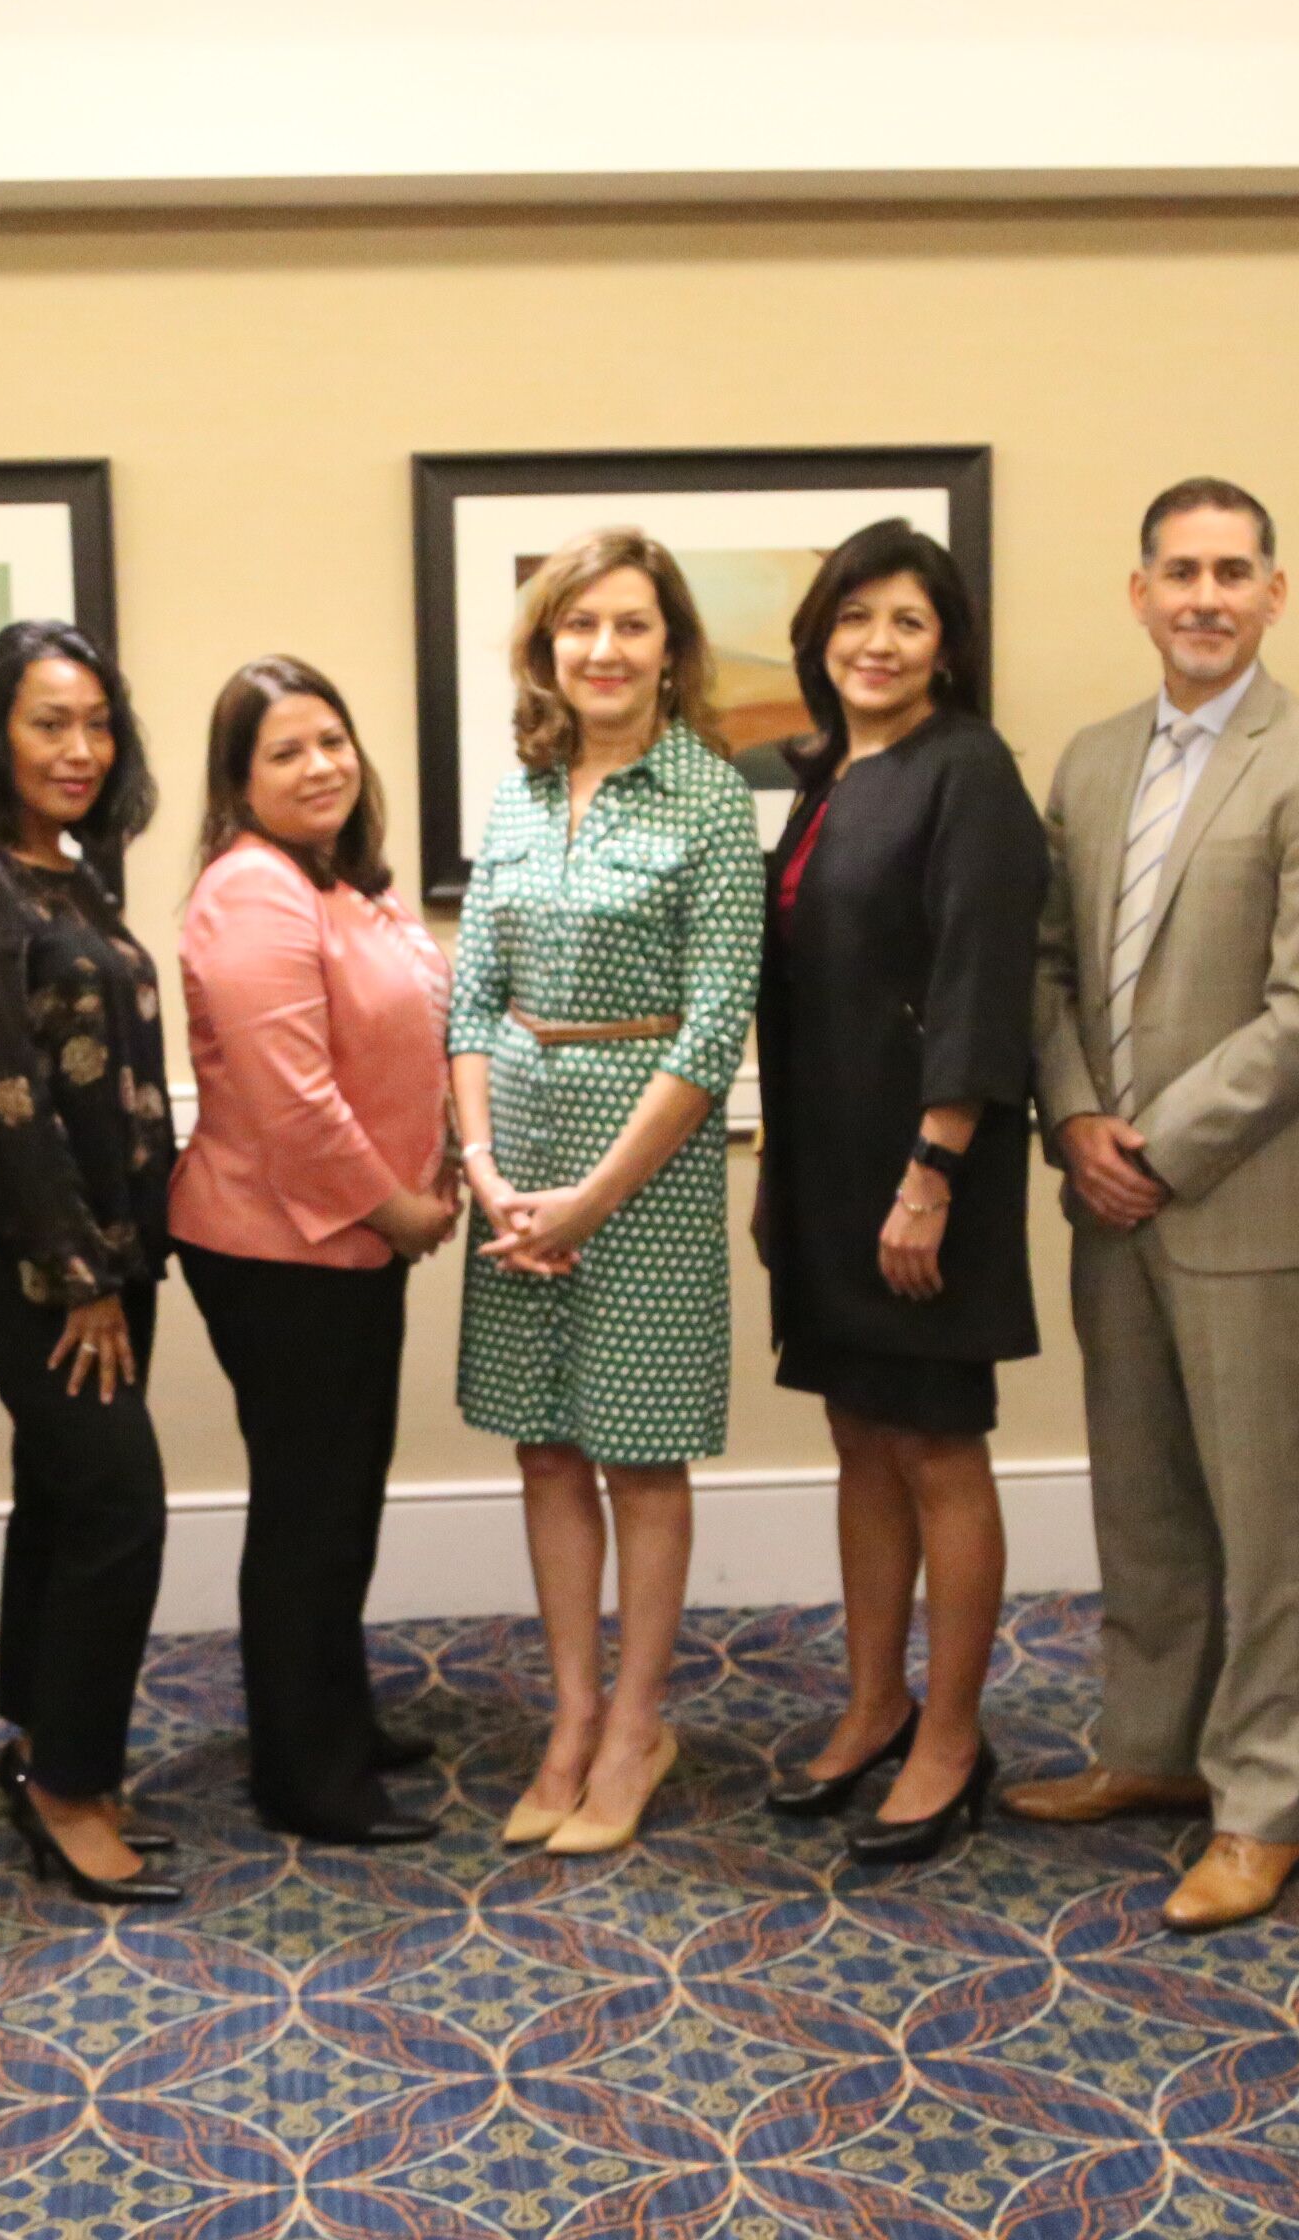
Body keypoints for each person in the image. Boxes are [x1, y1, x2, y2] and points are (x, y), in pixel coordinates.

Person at [1002, 477, 1299, 1934]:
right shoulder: (1093, 764)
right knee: (1146, 1500)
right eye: (1181, 571)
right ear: (1140, 592)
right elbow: (1045, 967)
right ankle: (1154, 1754)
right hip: (1107, 1194)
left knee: (1262, 1515)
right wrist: (1076, 1123)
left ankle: (1260, 1804)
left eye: (1235, 571)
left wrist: (1155, 1144)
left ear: (1274, 593)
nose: (1207, 597)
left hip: (1241, 1200)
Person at [452, 527, 763, 1858]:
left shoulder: (710, 797)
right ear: (546, 647)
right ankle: (571, 1718)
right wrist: (484, 1171)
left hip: (646, 1173)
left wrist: (588, 1199)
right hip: (512, 1168)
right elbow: (468, 999)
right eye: (580, 626)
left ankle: (639, 1724)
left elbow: (712, 1030)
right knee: (545, 1446)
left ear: (671, 649)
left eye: (631, 625)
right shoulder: (518, 795)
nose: (604, 650)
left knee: (639, 1455)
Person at [750, 522, 1046, 1866]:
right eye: (855, 614)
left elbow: (984, 978)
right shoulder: (826, 776)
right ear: (820, 631)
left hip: (928, 1168)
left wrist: (933, 1171)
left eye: (908, 622)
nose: (876, 640)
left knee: (935, 1444)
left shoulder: (966, 771)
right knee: (860, 1434)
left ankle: (952, 1736)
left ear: (948, 646)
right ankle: (876, 1705)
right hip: (826, 1165)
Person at [0, 620, 183, 1907]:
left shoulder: (69, 871)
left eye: (96, 723)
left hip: (112, 1250)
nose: (78, 748)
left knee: (65, 1498)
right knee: (119, 1500)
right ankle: (72, 1786)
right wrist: (76, 1273)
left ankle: (38, 1741)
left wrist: (125, 1257)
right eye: (47, 722)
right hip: (30, 1259)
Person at [169, 657, 458, 1847]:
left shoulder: (339, 883)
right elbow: (292, 1101)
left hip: (346, 1242)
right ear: (239, 783)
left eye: (331, 739)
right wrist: (396, 1208)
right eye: (284, 751)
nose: (320, 765)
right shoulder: (252, 892)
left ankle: (325, 1707)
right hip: (279, 1246)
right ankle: (309, 1772)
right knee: (309, 1507)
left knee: (340, 1496)